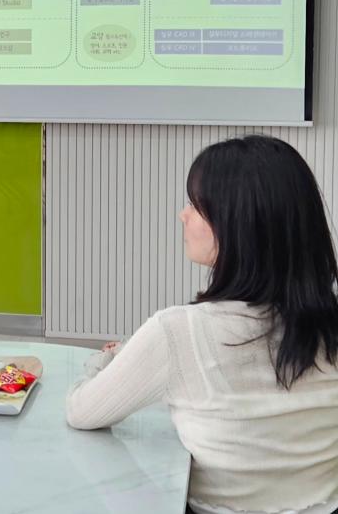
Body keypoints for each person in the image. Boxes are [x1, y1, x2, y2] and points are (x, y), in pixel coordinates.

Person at [65, 135, 338, 514]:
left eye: (195, 206)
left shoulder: (178, 332)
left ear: (237, 226)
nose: (183, 215)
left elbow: (82, 412)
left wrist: (106, 361)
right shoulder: (329, 321)